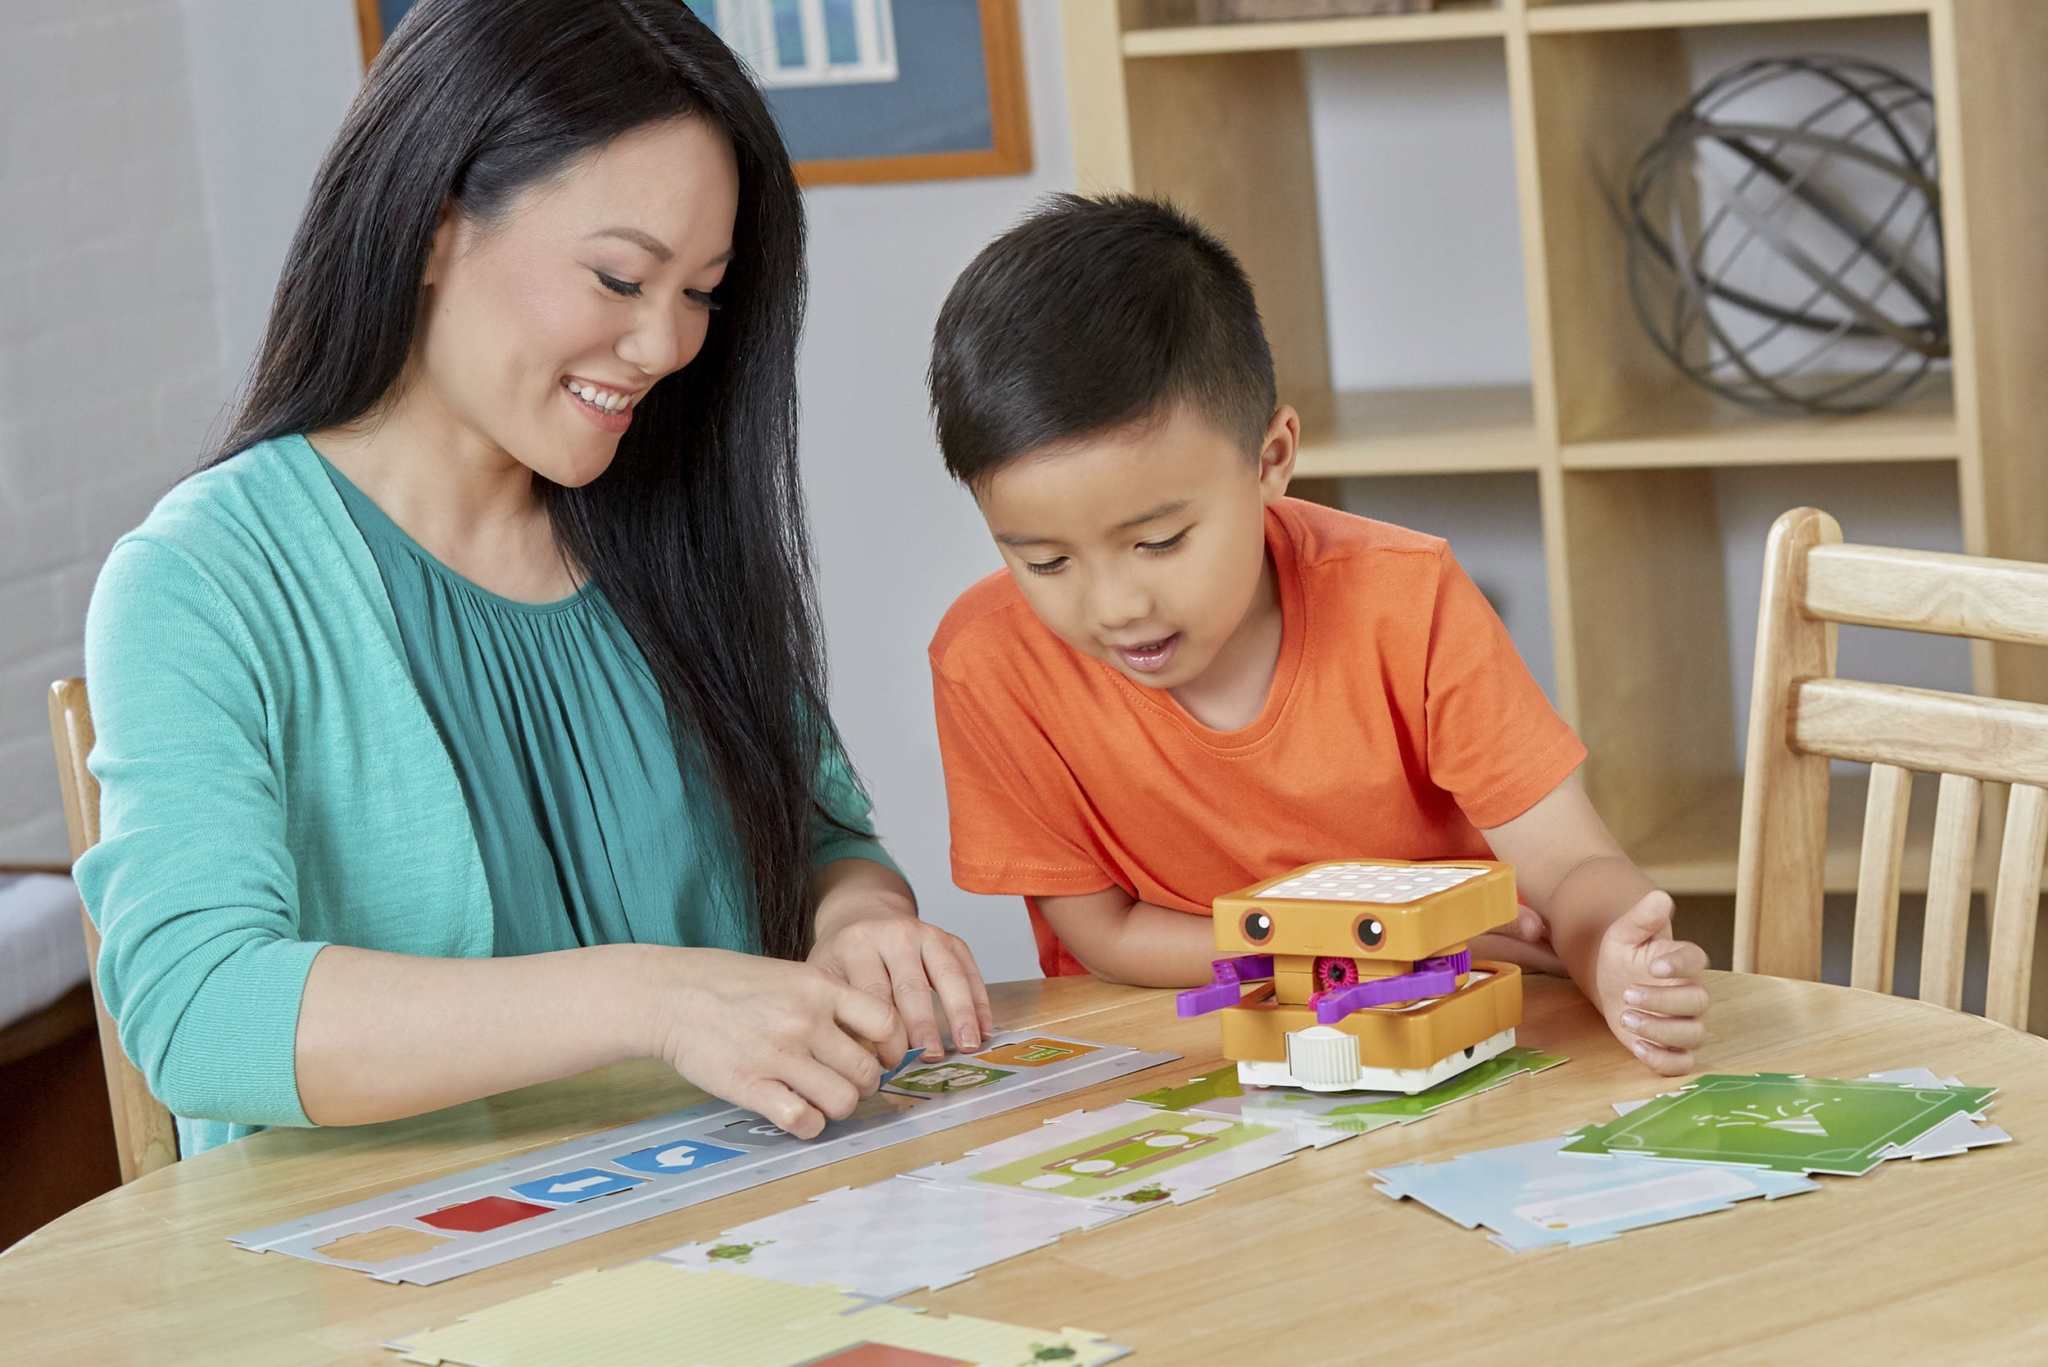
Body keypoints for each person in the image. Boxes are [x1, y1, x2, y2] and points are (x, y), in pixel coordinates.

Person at [75, 0, 989, 1159]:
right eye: (619, 278)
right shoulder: (207, 578)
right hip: (401, 1292)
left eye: (700, 292)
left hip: (732, 1228)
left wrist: (861, 923)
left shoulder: (664, 527)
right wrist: (651, 999)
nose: (665, 345)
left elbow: (817, 837)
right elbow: (199, 1011)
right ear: (431, 229)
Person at [924, 194, 1708, 1074]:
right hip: (1174, 1062)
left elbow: (1571, 867)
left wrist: (1613, 954)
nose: (1113, 606)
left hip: (1442, 1038)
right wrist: (1367, 949)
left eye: (1158, 542)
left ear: (1272, 458)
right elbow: (1104, 934)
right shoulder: (987, 662)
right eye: (1045, 562)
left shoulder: (1404, 601)